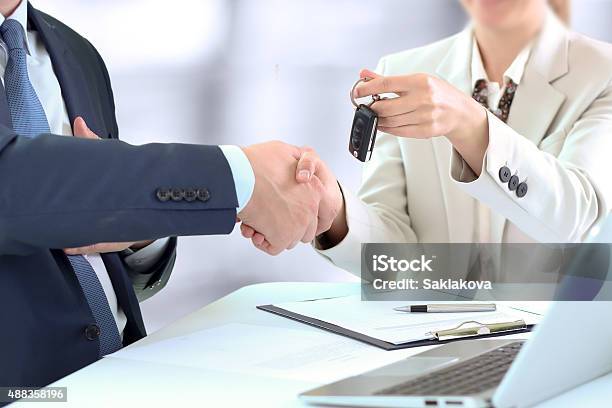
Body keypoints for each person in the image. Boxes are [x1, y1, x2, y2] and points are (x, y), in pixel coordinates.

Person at [0, 0, 333, 388]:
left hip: (127, 374)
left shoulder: (75, 52)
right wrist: (241, 178)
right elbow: (15, 183)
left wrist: (138, 228)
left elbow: (93, 214)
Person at [242, 0, 612, 276]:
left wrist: (469, 123)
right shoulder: (403, 70)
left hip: (549, 339)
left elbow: (579, 221)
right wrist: (335, 213)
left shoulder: (601, 73)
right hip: (437, 338)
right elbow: (400, 258)